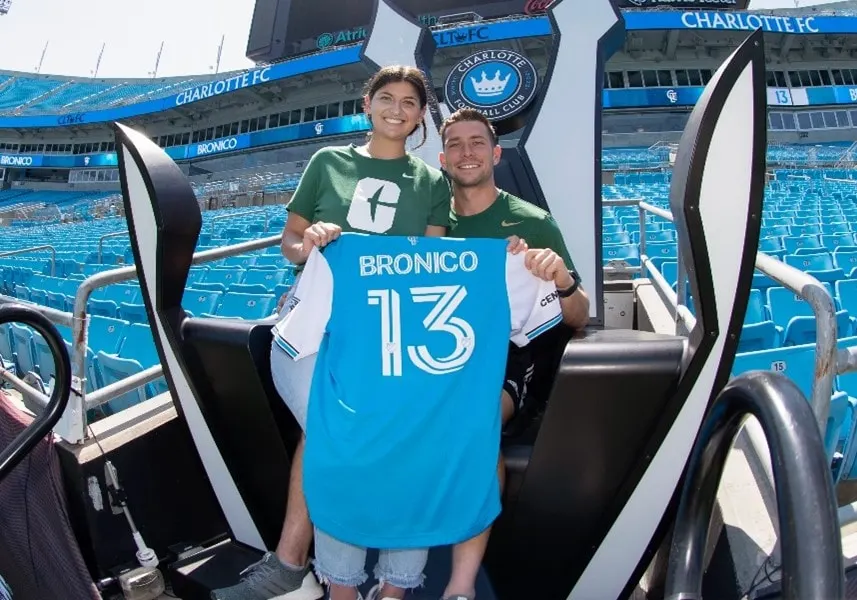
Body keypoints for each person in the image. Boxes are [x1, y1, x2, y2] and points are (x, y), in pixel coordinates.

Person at [211, 65, 451, 600]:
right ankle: (339, 586)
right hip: (314, 327)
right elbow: (290, 242)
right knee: (342, 437)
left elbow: (430, 267)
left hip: (388, 337)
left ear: (419, 116)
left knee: (363, 442)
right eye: (386, 97)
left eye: (410, 102)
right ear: (367, 104)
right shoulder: (328, 162)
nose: (397, 109)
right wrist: (311, 243)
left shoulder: (433, 183)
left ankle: (346, 582)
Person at [435, 107, 590, 600]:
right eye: (456, 144)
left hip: (508, 356)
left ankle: (461, 585)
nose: (467, 152)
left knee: (476, 420)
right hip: (437, 354)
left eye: (477, 142)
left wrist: (560, 279)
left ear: (496, 153)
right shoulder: (429, 227)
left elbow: (579, 316)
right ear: (442, 158)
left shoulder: (532, 222)